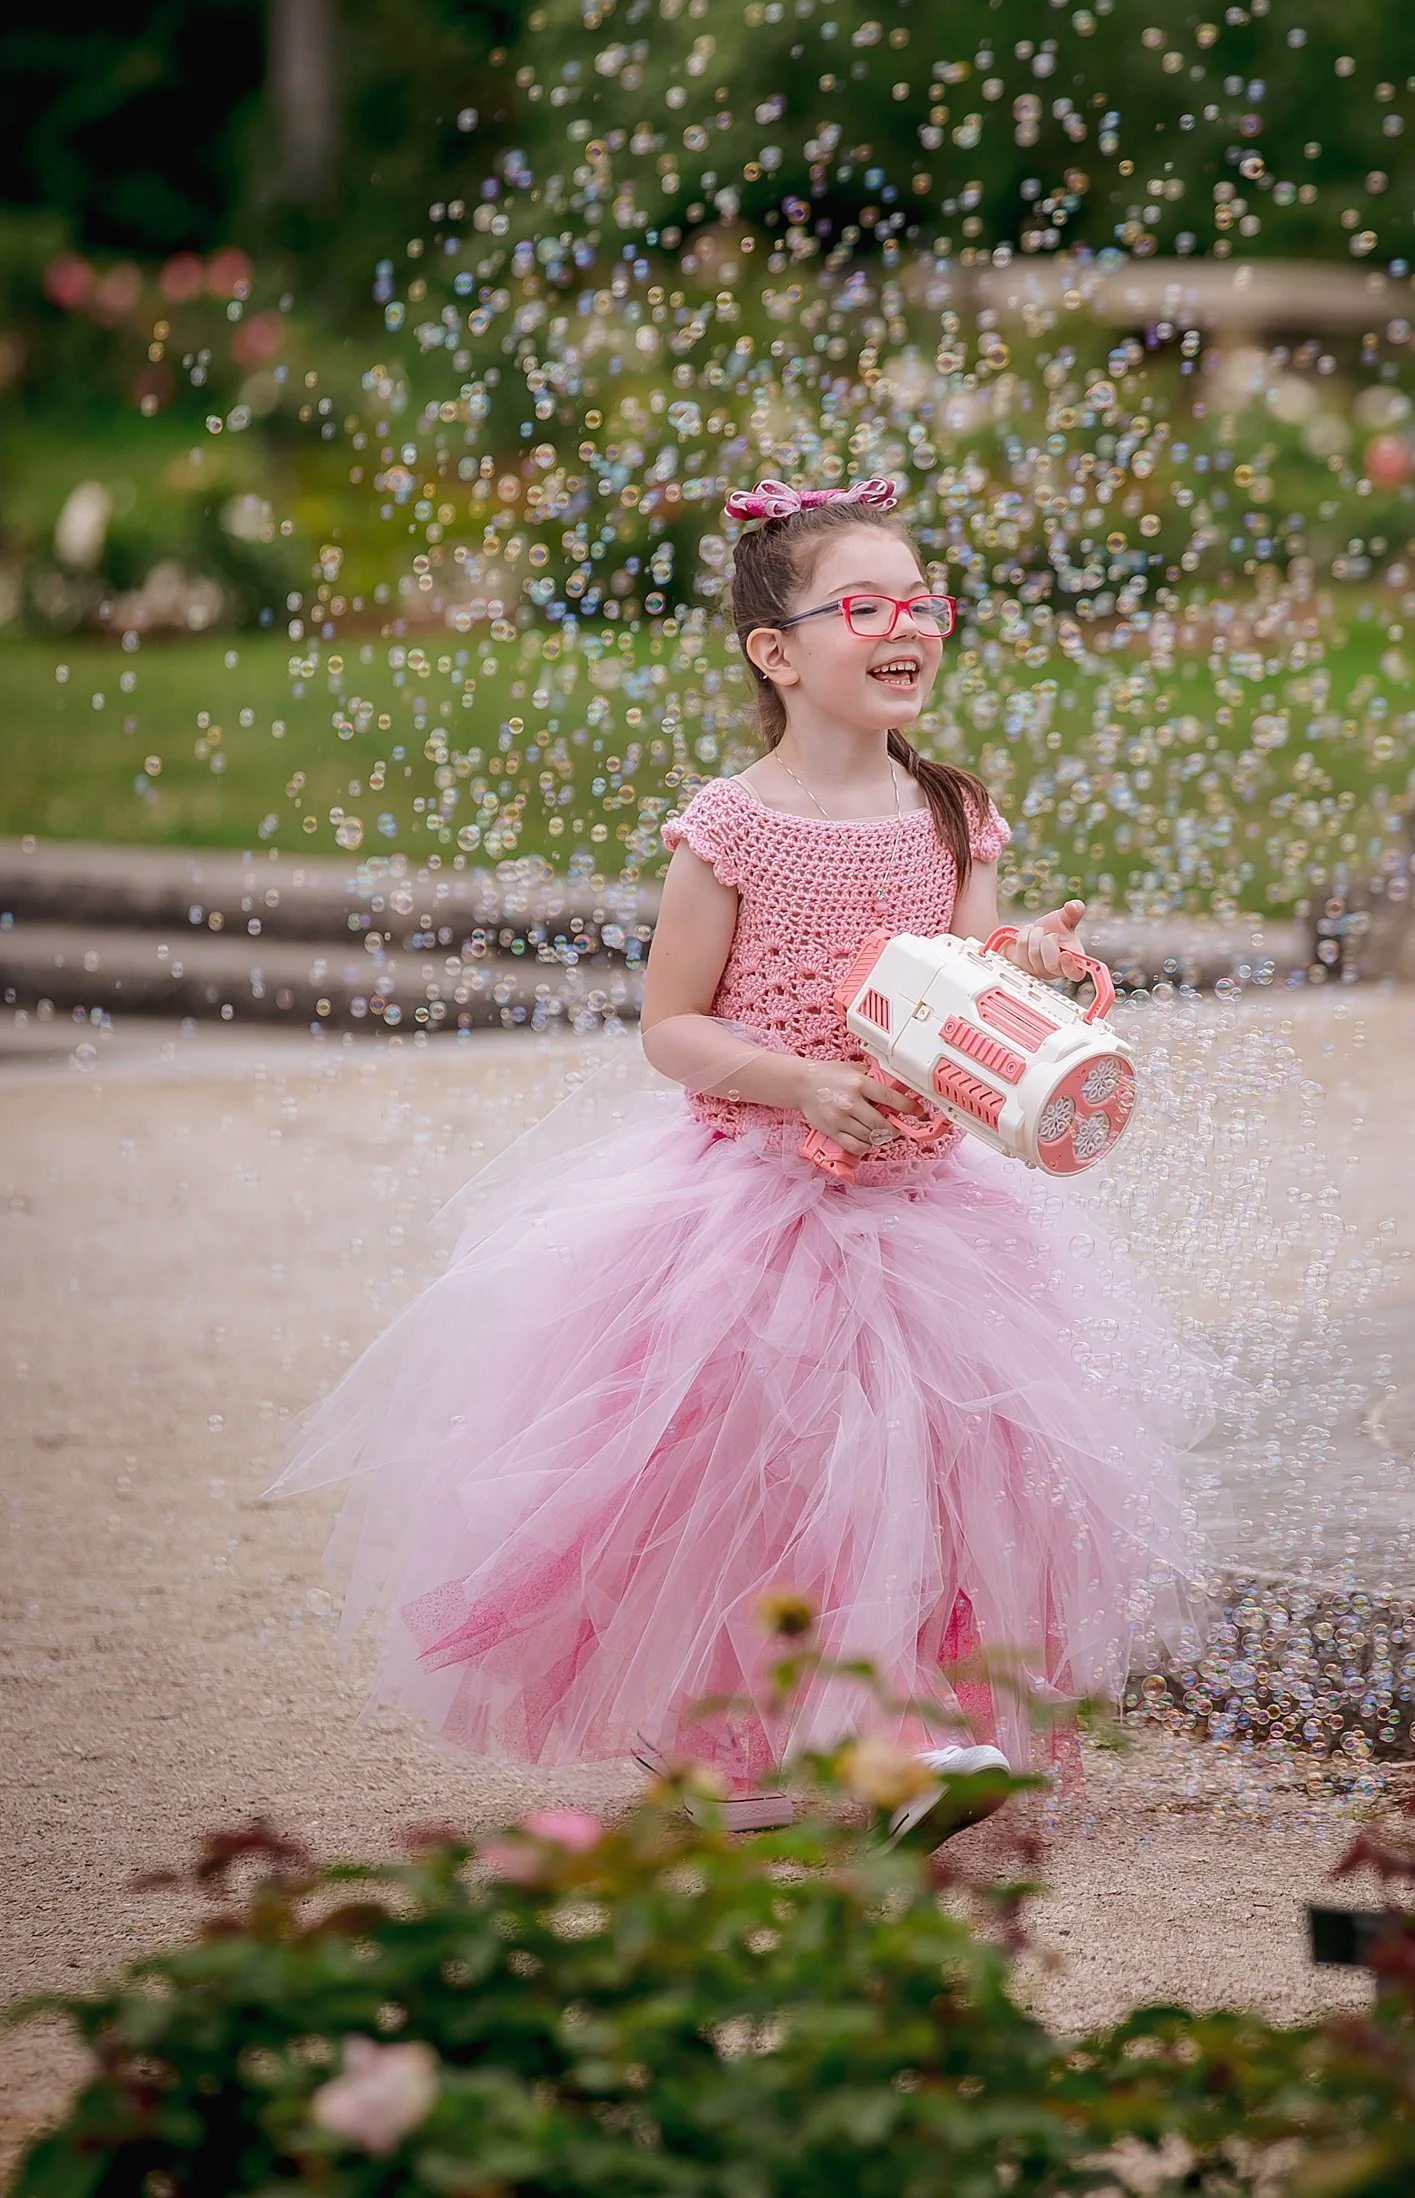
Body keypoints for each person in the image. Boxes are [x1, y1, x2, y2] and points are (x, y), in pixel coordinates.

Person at [270, 476, 1210, 1847]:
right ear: (777, 652)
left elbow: (961, 988)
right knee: (775, 1476)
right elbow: (673, 1029)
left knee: (940, 1472)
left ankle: (894, 1739)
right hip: (756, 1203)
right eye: (868, 607)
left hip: (928, 1200)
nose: (910, 628)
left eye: (924, 603)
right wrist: (803, 1083)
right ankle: (767, 1745)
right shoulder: (734, 824)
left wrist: (1036, 973)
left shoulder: (954, 812)